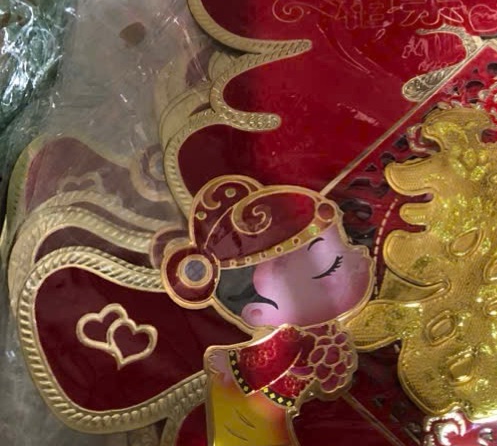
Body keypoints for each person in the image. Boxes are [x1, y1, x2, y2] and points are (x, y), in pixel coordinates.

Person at [160, 175, 374, 445]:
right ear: (259, 313)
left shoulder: (321, 337)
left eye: (347, 244)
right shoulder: (288, 347)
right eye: (332, 267)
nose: (362, 254)